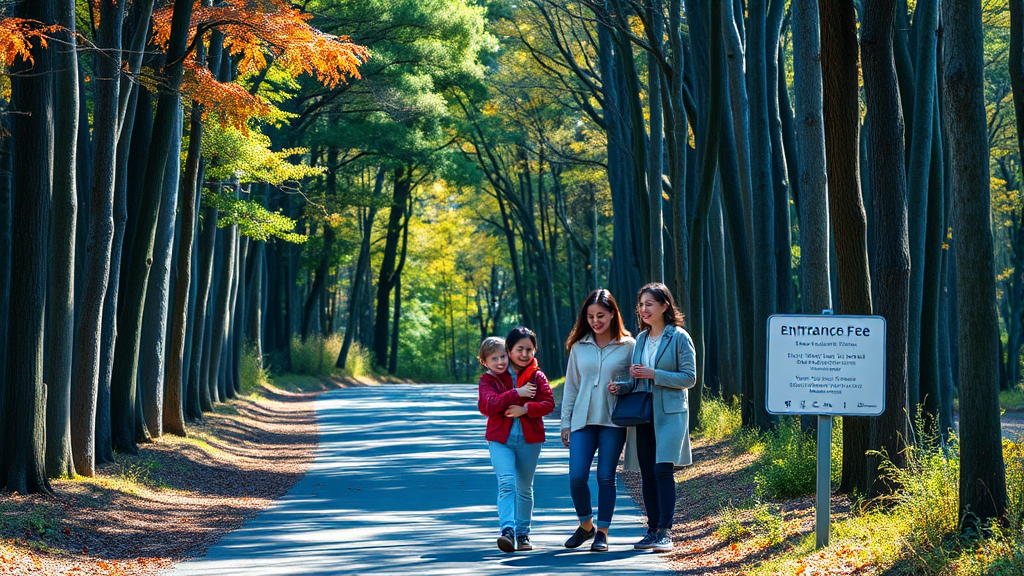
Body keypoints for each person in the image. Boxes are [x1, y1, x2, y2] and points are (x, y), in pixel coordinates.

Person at [610, 282, 695, 554]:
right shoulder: (641, 339)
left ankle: (665, 532)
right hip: (643, 414)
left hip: (670, 414)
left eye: (649, 304)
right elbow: (637, 381)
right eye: (641, 305)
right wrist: (622, 387)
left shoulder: (679, 337)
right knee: (647, 473)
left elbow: (689, 378)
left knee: (662, 470)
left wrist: (654, 374)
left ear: (664, 306)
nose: (643, 309)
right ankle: (651, 529)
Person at [559, 290, 635, 552]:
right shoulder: (579, 346)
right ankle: (586, 525)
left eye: (600, 315)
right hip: (582, 420)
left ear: (613, 313)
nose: (595, 321)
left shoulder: (629, 346)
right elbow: (571, 387)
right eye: (590, 316)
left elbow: (635, 382)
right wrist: (565, 422)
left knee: (606, 477)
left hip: (613, 421)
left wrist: (622, 386)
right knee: (576, 477)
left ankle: (602, 532)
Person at [477, 331, 554, 553]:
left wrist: (526, 409)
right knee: (507, 483)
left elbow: (548, 403)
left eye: (528, 350)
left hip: (530, 440)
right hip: (500, 440)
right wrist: (515, 393)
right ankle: (507, 531)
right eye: (518, 350)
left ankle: (523, 533)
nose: (500, 361)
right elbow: (488, 406)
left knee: (524, 488)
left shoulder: (536, 376)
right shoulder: (489, 380)